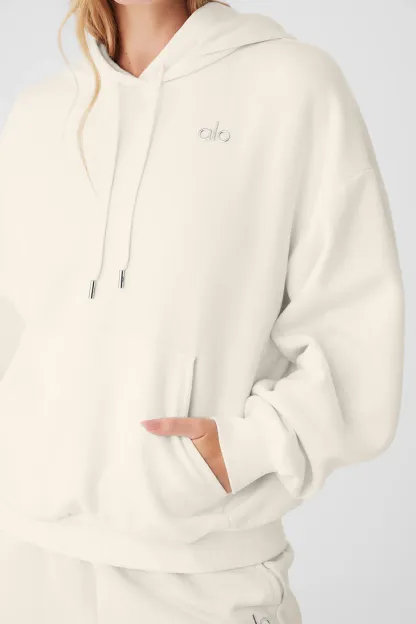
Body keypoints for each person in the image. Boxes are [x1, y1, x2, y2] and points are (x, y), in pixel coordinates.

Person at [0, 0, 405, 622]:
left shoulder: (292, 87)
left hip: (204, 576)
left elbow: (354, 334)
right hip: (27, 564)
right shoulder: (39, 115)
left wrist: (238, 453)